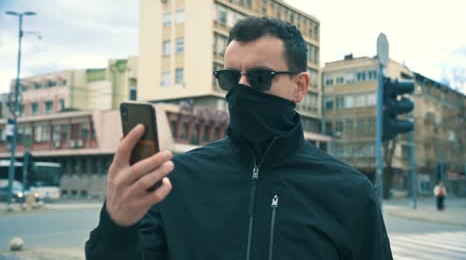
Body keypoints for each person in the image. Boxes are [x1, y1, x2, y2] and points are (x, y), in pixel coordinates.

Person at [85, 17, 393, 259]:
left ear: (299, 86)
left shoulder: (350, 194)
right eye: (231, 78)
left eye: (259, 78)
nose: (241, 90)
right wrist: (118, 225)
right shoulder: (176, 182)